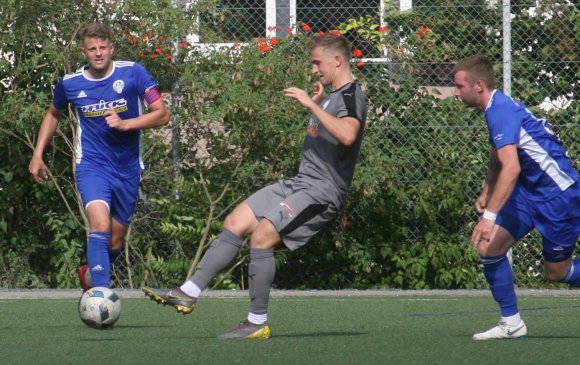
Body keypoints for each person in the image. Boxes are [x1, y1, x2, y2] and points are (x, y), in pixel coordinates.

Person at [143, 33, 367, 339]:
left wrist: (312, 107)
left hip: (321, 192)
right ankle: (187, 291)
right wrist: (317, 104)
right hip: (299, 183)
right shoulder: (330, 96)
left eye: (317, 62)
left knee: (262, 237)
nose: (314, 69)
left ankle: (257, 322)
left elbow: (348, 135)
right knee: (236, 221)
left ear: (337, 60)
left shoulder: (352, 96)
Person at [29, 23, 170, 292]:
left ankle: (90, 274)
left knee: (115, 241)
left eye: (102, 48)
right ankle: (100, 294)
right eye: (92, 49)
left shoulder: (133, 73)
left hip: (128, 168)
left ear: (111, 48)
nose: (98, 53)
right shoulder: (70, 84)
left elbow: (162, 114)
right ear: (84, 52)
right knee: (100, 225)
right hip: (92, 166)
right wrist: (38, 155)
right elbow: (52, 114)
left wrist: (126, 124)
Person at [452, 55, 580, 340]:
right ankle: (511, 323)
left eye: (459, 86)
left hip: (559, 198)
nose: (455, 92)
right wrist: (487, 188)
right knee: (489, 249)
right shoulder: (495, 108)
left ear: (479, 85)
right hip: (529, 193)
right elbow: (499, 155)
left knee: (555, 272)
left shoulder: (500, 111)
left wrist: (488, 217)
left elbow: (512, 167)